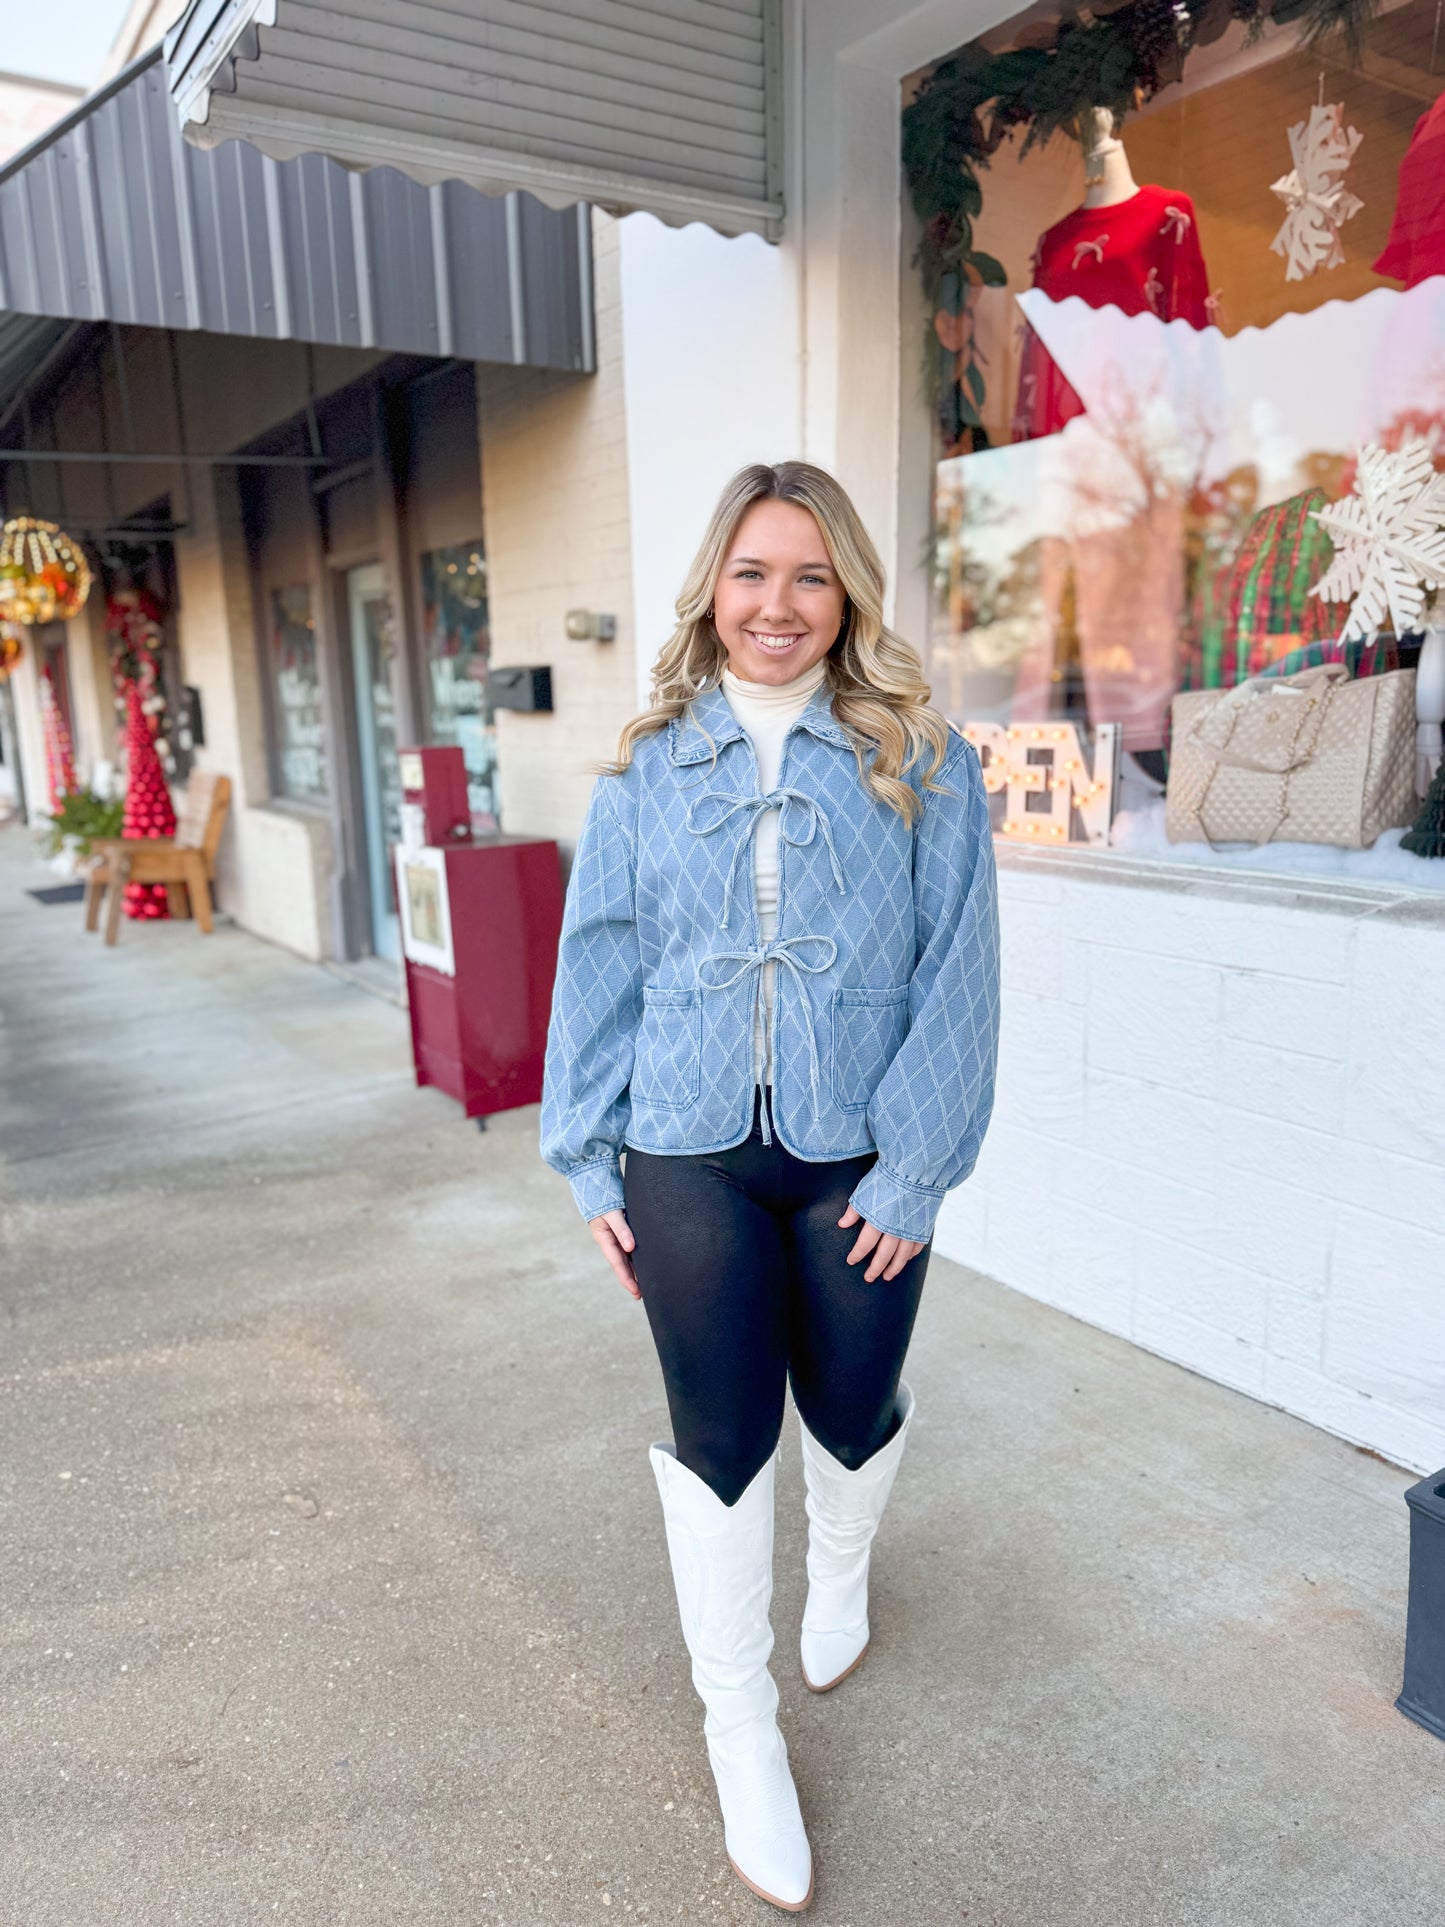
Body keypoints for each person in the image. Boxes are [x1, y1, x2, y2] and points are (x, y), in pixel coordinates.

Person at [539, 461, 1000, 1913]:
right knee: (720, 1439)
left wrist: (919, 1169)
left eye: (808, 575)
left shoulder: (920, 759)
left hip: (858, 1149)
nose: (777, 605)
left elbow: (960, 971)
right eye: (751, 574)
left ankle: (844, 1570)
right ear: (711, 591)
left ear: (846, 592)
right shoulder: (646, 765)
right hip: (682, 1148)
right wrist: (584, 1150)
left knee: (851, 1407)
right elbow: (598, 961)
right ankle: (740, 1729)